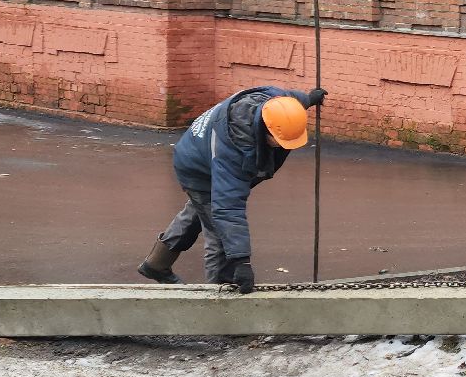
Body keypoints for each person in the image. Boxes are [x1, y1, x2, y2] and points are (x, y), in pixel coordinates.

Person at [138, 85, 326, 292]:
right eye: (279, 142)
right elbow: (228, 209)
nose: (284, 147)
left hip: (202, 150)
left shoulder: (277, 103)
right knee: (219, 234)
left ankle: (156, 264)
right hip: (196, 168)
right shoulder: (235, 148)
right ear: (265, 128)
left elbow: (292, 103)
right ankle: (222, 296)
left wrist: (308, 99)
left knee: (200, 212)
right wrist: (241, 261)